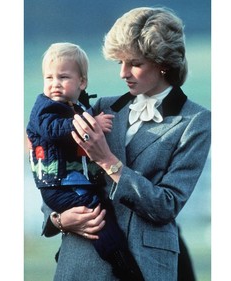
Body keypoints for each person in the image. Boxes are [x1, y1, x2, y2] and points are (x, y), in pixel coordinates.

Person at [41, 7, 211, 281]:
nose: (123, 73)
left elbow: (167, 205)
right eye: (119, 62)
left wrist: (108, 160)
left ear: (162, 62)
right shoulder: (101, 107)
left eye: (135, 63)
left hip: (144, 267)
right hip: (80, 262)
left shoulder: (197, 120)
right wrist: (58, 219)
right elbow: (56, 170)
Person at [26, 42, 144, 280]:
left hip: (73, 181)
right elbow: (54, 130)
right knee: (96, 216)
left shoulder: (76, 106)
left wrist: (88, 114)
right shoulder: (44, 108)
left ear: (82, 82)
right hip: (58, 185)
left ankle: (95, 253)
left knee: (102, 208)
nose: (54, 83)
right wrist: (92, 122)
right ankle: (120, 261)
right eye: (49, 77)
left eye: (63, 77)